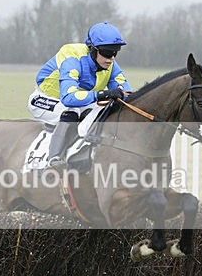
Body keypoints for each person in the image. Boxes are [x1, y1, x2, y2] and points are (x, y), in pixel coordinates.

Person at [28, 21, 132, 168]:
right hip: (45, 100)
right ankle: (53, 159)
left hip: (78, 100)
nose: (111, 58)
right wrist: (103, 94)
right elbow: (69, 98)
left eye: (115, 52)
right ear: (92, 49)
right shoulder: (72, 59)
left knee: (106, 111)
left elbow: (127, 94)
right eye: (107, 52)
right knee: (72, 113)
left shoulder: (110, 64)